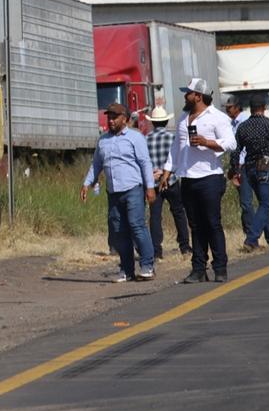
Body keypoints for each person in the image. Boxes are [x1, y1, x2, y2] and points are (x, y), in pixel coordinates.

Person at [160, 78, 236, 283]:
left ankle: (220, 267)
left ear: (198, 96)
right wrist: (168, 171)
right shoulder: (184, 118)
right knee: (196, 225)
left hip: (210, 177)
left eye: (188, 93)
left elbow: (231, 143)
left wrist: (207, 143)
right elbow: (176, 147)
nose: (185, 96)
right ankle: (198, 268)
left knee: (212, 223)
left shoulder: (217, 118)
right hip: (188, 177)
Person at [81, 102, 156, 283]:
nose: (111, 120)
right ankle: (126, 270)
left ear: (125, 119)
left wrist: (150, 187)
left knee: (137, 226)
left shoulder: (135, 137)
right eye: (109, 117)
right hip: (113, 192)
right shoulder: (103, 140)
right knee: (118, 231)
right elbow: (97, 164)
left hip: (133, 189)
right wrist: (86, 183)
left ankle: (147, 266)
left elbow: (145, 163)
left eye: (115, 117)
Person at [231, 95, 269, 251]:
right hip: (265, 166)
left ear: (250, 109)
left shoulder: (243, 127)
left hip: (248, 169)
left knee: (263, 204)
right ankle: (251, 239)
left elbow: (235, 151)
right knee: (265, 204)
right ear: (264, 107)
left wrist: (235, 171)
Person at [145, 106, 191, 259]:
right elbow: (177, 159)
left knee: (155, 216)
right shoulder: (172, 138)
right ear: (166, 121)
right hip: (170, 180)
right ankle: (184, 247)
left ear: (152, 123)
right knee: (178, 212)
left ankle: (156, 251)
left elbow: (143, 162)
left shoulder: (146, 139)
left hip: (153, 182)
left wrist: (153, 173)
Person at [223, 95, 253, 237]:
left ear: (237, 107)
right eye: (227, 108)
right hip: (238, 165)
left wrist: (238, 166)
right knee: (245, 201)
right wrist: (233, 167)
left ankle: (252, 234)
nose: (228, 110)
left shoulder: (245, 120)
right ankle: (249, 233)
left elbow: (244, 147)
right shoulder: (232, 123)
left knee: (247, 202)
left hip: (246, 164)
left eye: (230, 108)